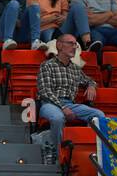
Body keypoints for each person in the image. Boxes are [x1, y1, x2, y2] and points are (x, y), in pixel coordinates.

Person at [33, 34, 105, 165]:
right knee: (57, 118)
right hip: (49, 103)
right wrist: (63, 107)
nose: (74, 47)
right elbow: (45, 91)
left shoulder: (75, 69)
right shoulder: (47, 65)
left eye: (75, 44)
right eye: (70, 43)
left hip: (70, 104)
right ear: (59, 45)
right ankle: (57, 151)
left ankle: (89, 149)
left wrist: (92, 85)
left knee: (98, 115)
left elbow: (90, 80)